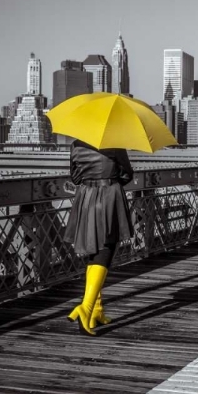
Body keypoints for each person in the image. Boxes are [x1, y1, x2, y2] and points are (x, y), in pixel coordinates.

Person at [64, 139, 134, 336]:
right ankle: (86, 308)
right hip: (108, 196)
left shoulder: (76, 144)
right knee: (105, 250)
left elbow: (75, 177)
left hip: (86, 198)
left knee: (92, 250)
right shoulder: (116, 143)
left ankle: (96, 310)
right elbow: (127, 174)